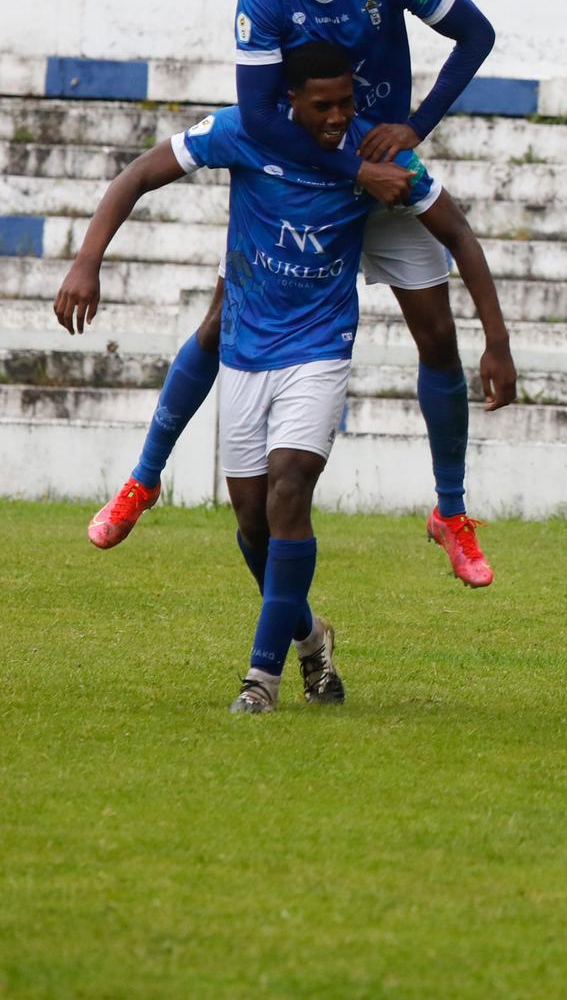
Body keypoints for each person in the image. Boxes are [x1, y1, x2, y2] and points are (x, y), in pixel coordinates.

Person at [54, 43, 518, 713]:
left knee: (289, 489)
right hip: (246, 353)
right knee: (252, 525)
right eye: (322, 105)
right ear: (288, 100)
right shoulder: (243, 129)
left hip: (319, 352)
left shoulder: (379, 157)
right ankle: (309, 638)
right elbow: (135, 177)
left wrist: (496, 342)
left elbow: (462, 237)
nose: (337, 118)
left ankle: (259, 681)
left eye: (346, 103)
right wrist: (87, 260)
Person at [87, 0, 504, 590]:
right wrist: (355, 170)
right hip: (309, 171)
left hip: (382, 167)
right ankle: (143, 480)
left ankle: (452, 512)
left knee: (437, 335)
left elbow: (478, 35)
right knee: (219, 327)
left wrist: (412, 127)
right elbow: (256, 119)